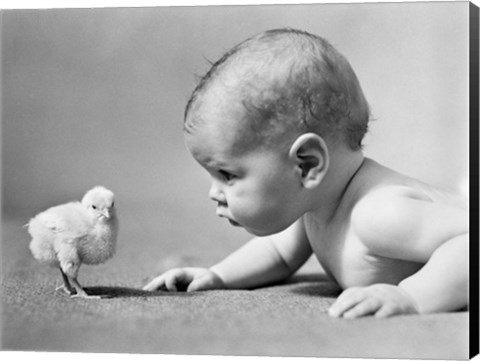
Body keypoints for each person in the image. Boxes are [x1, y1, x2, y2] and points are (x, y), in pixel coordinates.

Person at [143, 28, 469, 318]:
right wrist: (217, 275)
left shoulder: (377, 214)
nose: (214, 192)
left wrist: (410, 296)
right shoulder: (314, 207)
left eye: (227, 174)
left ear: (306, 164)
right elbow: (278, 253)